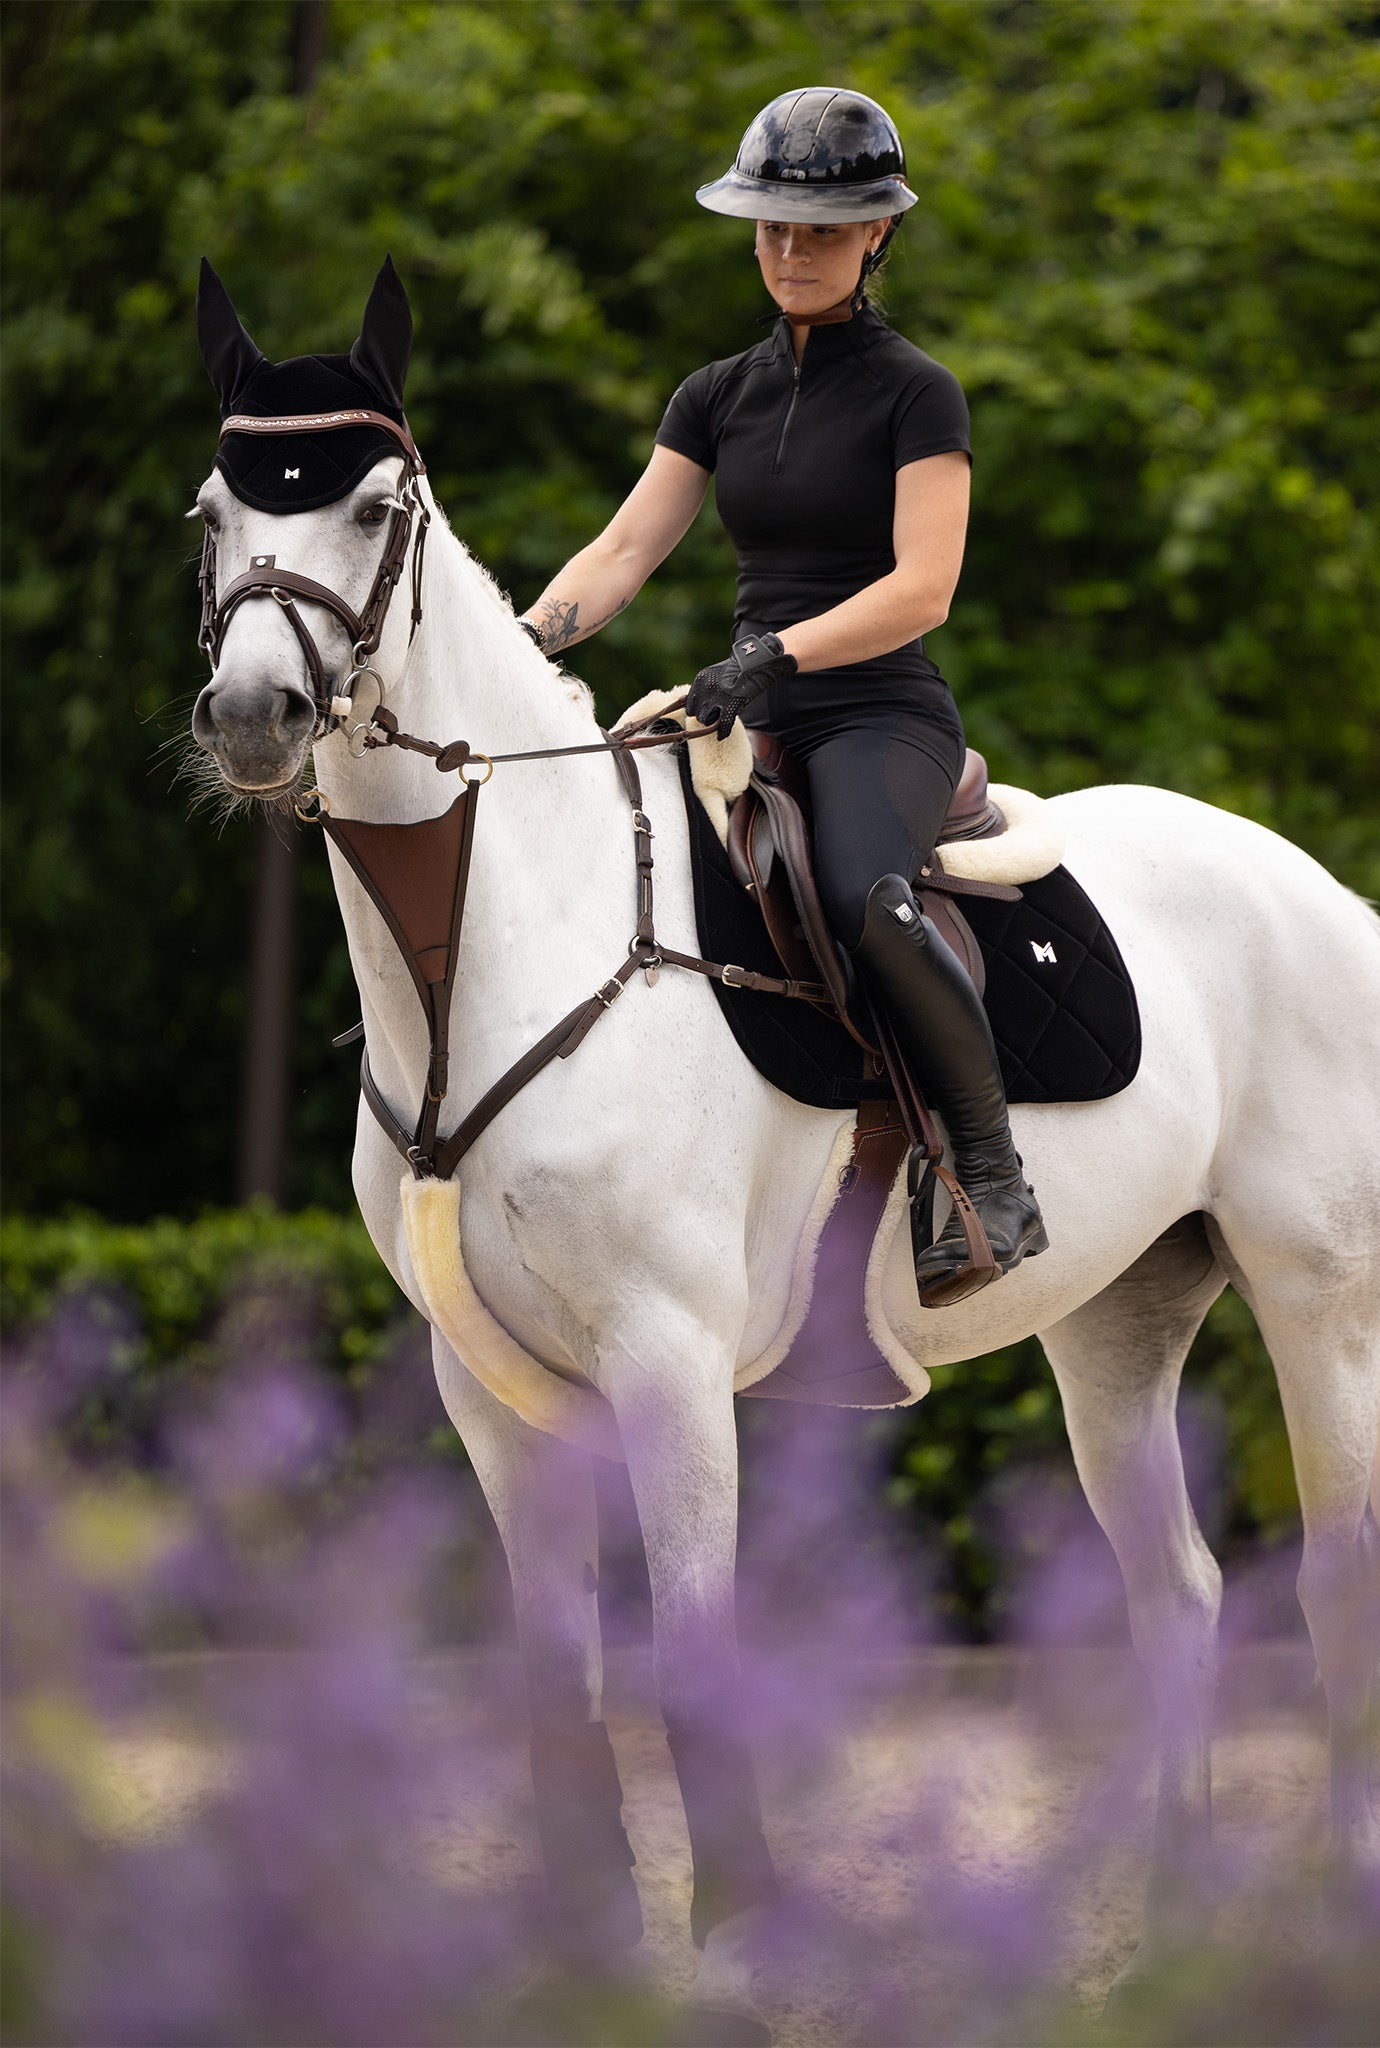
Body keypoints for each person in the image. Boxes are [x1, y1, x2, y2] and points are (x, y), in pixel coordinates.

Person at [519, 86, 1046, 1297]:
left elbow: (923, 588)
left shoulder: (920, 393)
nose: (789, 252)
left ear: (876, 237)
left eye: (818, 231)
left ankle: (989, 1169)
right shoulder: (714, 394)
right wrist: (519, 646)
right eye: (770, 229)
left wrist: (772, 656)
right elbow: (619, 554)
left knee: (864, 894)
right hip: (743, 706)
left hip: (874, 711)